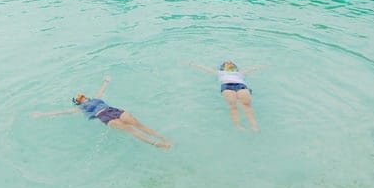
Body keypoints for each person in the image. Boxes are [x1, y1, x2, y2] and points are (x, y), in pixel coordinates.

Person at [31, 76, 174, 148]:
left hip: (112, 110)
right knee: (129, 129)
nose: (83, 96)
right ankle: (155, 144)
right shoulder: (81, 108)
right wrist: (42, 114)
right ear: (79, 101)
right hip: (103, 116)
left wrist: (106, 81)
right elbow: (64, 112)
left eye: (82, 94)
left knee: (138, 124)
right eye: (79, 97)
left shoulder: (96, 99)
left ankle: (165, 139)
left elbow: (101, 90)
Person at [190, 60, 265, 131]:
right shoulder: (220, 72)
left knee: (247, 104)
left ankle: (255, 126)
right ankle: (238, 126)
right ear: (223, 66)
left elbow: (253, 69)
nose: (229, 62)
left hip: (241, 85)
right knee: (233, 105)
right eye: (227, 63)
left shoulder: (239, 73)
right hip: (227, 86)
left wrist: (264, 65)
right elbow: (205, 69)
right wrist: (193, 64)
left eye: (231, 62)